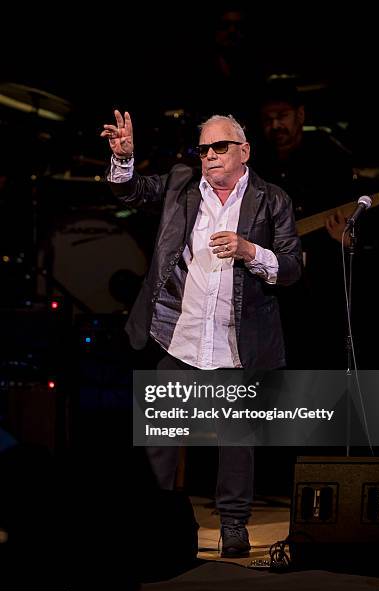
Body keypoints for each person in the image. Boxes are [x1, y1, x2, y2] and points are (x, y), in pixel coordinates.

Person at [101, 110, 301, 557]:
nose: (209, 156)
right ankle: (152, 522)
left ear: (243, 151)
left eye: (220, 147)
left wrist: (251, 251)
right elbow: (132, 191)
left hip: (237, 340)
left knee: (237, 441)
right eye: (204, 148)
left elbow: (291, 268)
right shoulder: (181, 185)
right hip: (181, 332)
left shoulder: (272, 199)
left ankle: (233, 526)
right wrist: (125, 159)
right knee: (160, 436)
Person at [253, 79, 356, 369]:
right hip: (270, 287)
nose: (275, 126)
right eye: (268, 120)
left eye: (282, 117)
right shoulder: (255, 165)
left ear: (300, 115)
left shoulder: (330, 158)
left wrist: (346, 238)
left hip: (321, 283)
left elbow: (353, 221)